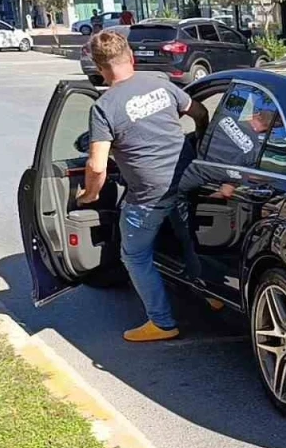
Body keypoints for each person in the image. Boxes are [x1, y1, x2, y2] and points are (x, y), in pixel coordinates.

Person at [79, 31, 210, 342]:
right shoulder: (161, 85)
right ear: (131, 58)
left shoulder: (104, 106)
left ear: (99, 67)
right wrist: (200, 138)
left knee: (135, 256)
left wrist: (90, 195)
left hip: (148, 197)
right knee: (189, 236)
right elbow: (200, 112)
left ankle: (162, 323)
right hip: (188, 178)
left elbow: (97, 165)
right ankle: (209, 292)